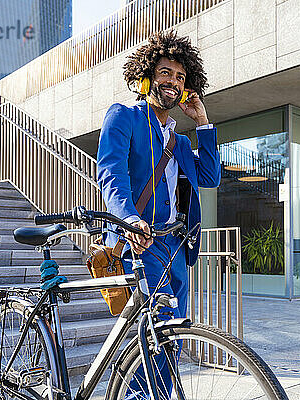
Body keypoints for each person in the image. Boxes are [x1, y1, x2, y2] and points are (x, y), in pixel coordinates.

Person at [96, 30, 220, 397]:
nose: (174, 82)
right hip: (139, 241)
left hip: (175, 247)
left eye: (181, 77)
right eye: (166, 73)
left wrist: (202, 121)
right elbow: (111, 172)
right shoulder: (124, 117)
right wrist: (128, 217)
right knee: (162, 328)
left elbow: (210, 177)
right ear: (147, 76)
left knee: (171, 334)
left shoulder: (179, 141)